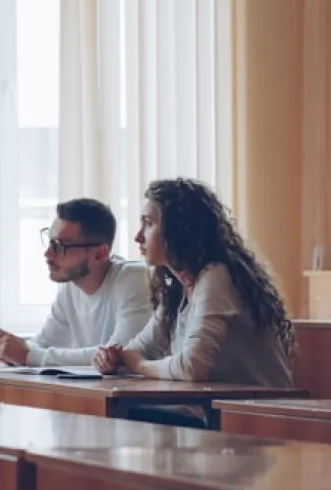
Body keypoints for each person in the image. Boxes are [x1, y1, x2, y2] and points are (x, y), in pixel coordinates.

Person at [94, 178, 296, 427]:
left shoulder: (217, 276)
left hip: (261, 421)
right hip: (217, 415)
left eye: (148, 223)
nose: (138, 237)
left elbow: (191, 367)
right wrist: (114, 359)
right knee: (110, 417)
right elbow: (136, 349)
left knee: (121, 422)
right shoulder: (178, 288)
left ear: (179, 230)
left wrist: (138, 364)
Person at [0, 198, 153, 367]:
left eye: (61, 246)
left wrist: (28, 355)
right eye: (50, 242)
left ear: (100, 253)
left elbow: (121, 352)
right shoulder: (71, 286)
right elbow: (43, 345)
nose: (48, 254)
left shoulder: (134, 279)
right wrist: (3, 348)